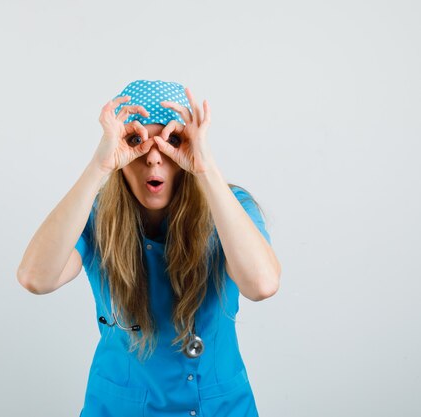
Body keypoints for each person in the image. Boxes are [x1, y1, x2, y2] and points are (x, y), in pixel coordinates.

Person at [17, 79, 281, 417]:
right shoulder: (94, 216)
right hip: (119, 408)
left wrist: (206, 169)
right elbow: (36, 278)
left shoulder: (230, 207)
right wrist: (98, 167)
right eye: (136, 142)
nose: (154, 158)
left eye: (172, 141)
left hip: (219, 408)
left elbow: (262, 285)